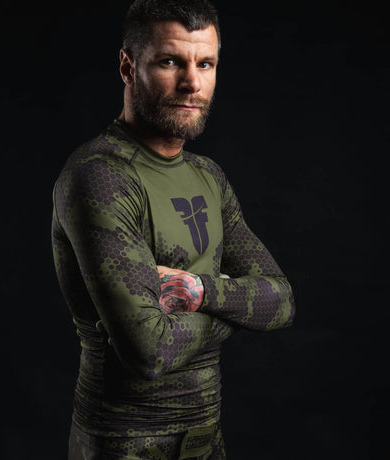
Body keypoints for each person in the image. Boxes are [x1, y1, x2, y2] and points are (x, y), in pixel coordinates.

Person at [51, 0, 296, 458]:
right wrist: (239, 307)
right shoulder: (100, 176)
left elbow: (281, 299)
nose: (192, 83)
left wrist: (201, 292)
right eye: (170, 62)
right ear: (128, 67)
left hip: (206, 439)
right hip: (125, 445)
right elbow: (150, 350)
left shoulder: (209, 176)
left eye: (205, 64)